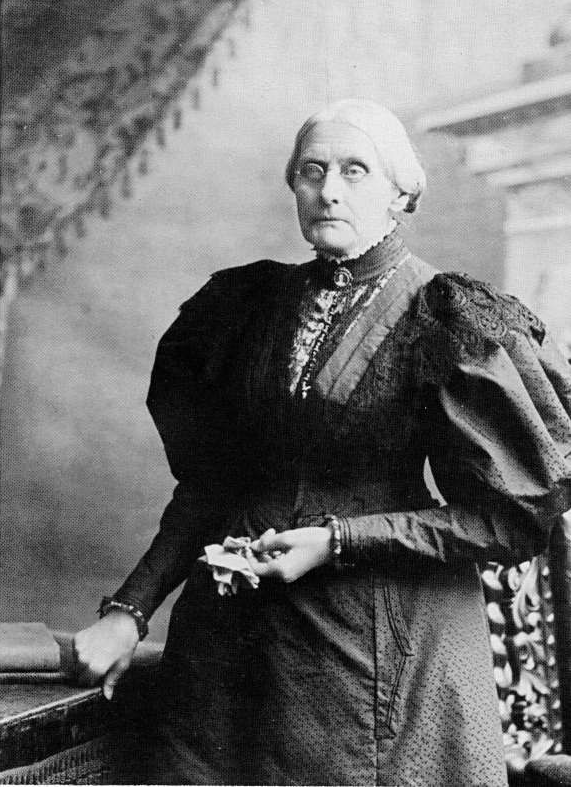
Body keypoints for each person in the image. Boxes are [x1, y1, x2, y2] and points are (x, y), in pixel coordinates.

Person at [75, 99, 571, 787]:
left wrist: (340, 539)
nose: (329, 190)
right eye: (312, 171)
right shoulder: (247, 306)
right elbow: (212, 485)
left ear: (400, 192)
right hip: (229, 654)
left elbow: (503, 518)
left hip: (375, 649)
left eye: (354, 170)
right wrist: (130, 611)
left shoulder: (447, 317)